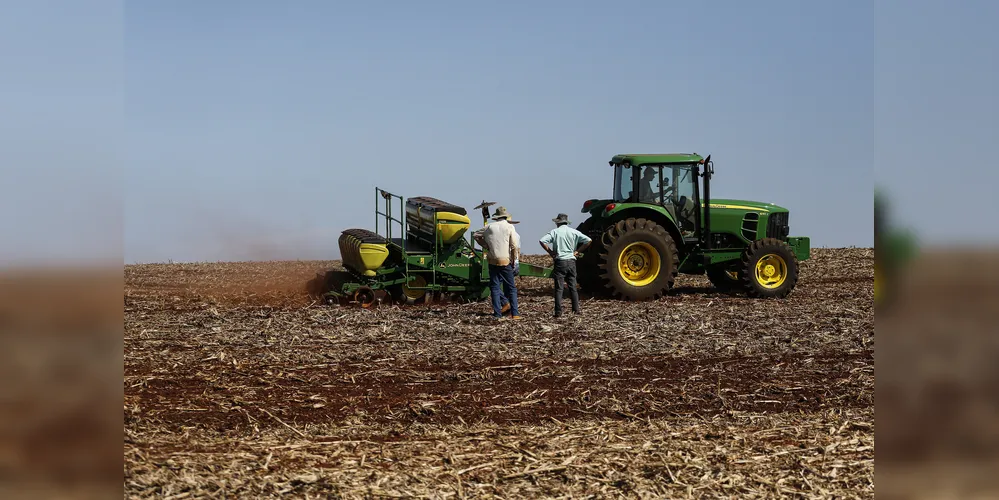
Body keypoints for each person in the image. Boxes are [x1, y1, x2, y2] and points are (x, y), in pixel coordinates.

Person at [472, 206, 522, 320]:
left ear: (496, 217)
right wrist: (515, 260)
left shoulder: (489, 226)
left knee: (494, 287)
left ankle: (497, 314)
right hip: (505, 260)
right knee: (512, 288)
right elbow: (514, 245)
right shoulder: (510, 227)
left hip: (492, 260)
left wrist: (486, 245)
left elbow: (476, 235)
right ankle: (515, 314)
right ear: (505, 216)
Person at [539, 213, 592, 317]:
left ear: (557, 223)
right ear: (566, 222)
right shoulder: (574, 232)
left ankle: (558, 312)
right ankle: (576, 310)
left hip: (560, 262)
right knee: (573, 287)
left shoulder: (555, 232)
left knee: (559, 289)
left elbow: (542, 241)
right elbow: (588, 240)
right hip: (571, 261)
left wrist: (550, 252)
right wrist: (577, 251)